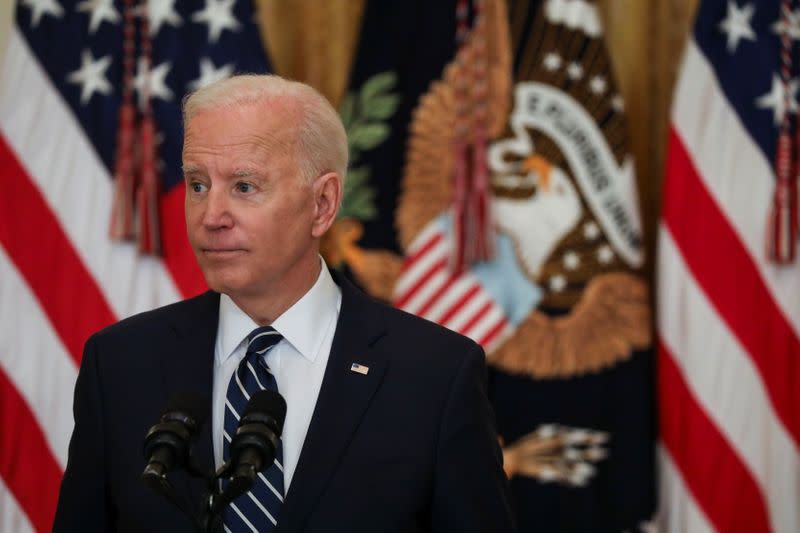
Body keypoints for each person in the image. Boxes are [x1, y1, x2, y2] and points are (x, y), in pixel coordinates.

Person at [53, 74, 515, 532]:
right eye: (197, 185)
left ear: (323, 204)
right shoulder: (118, 364)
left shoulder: (435, 376)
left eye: (244, 186)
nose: (211, 217)